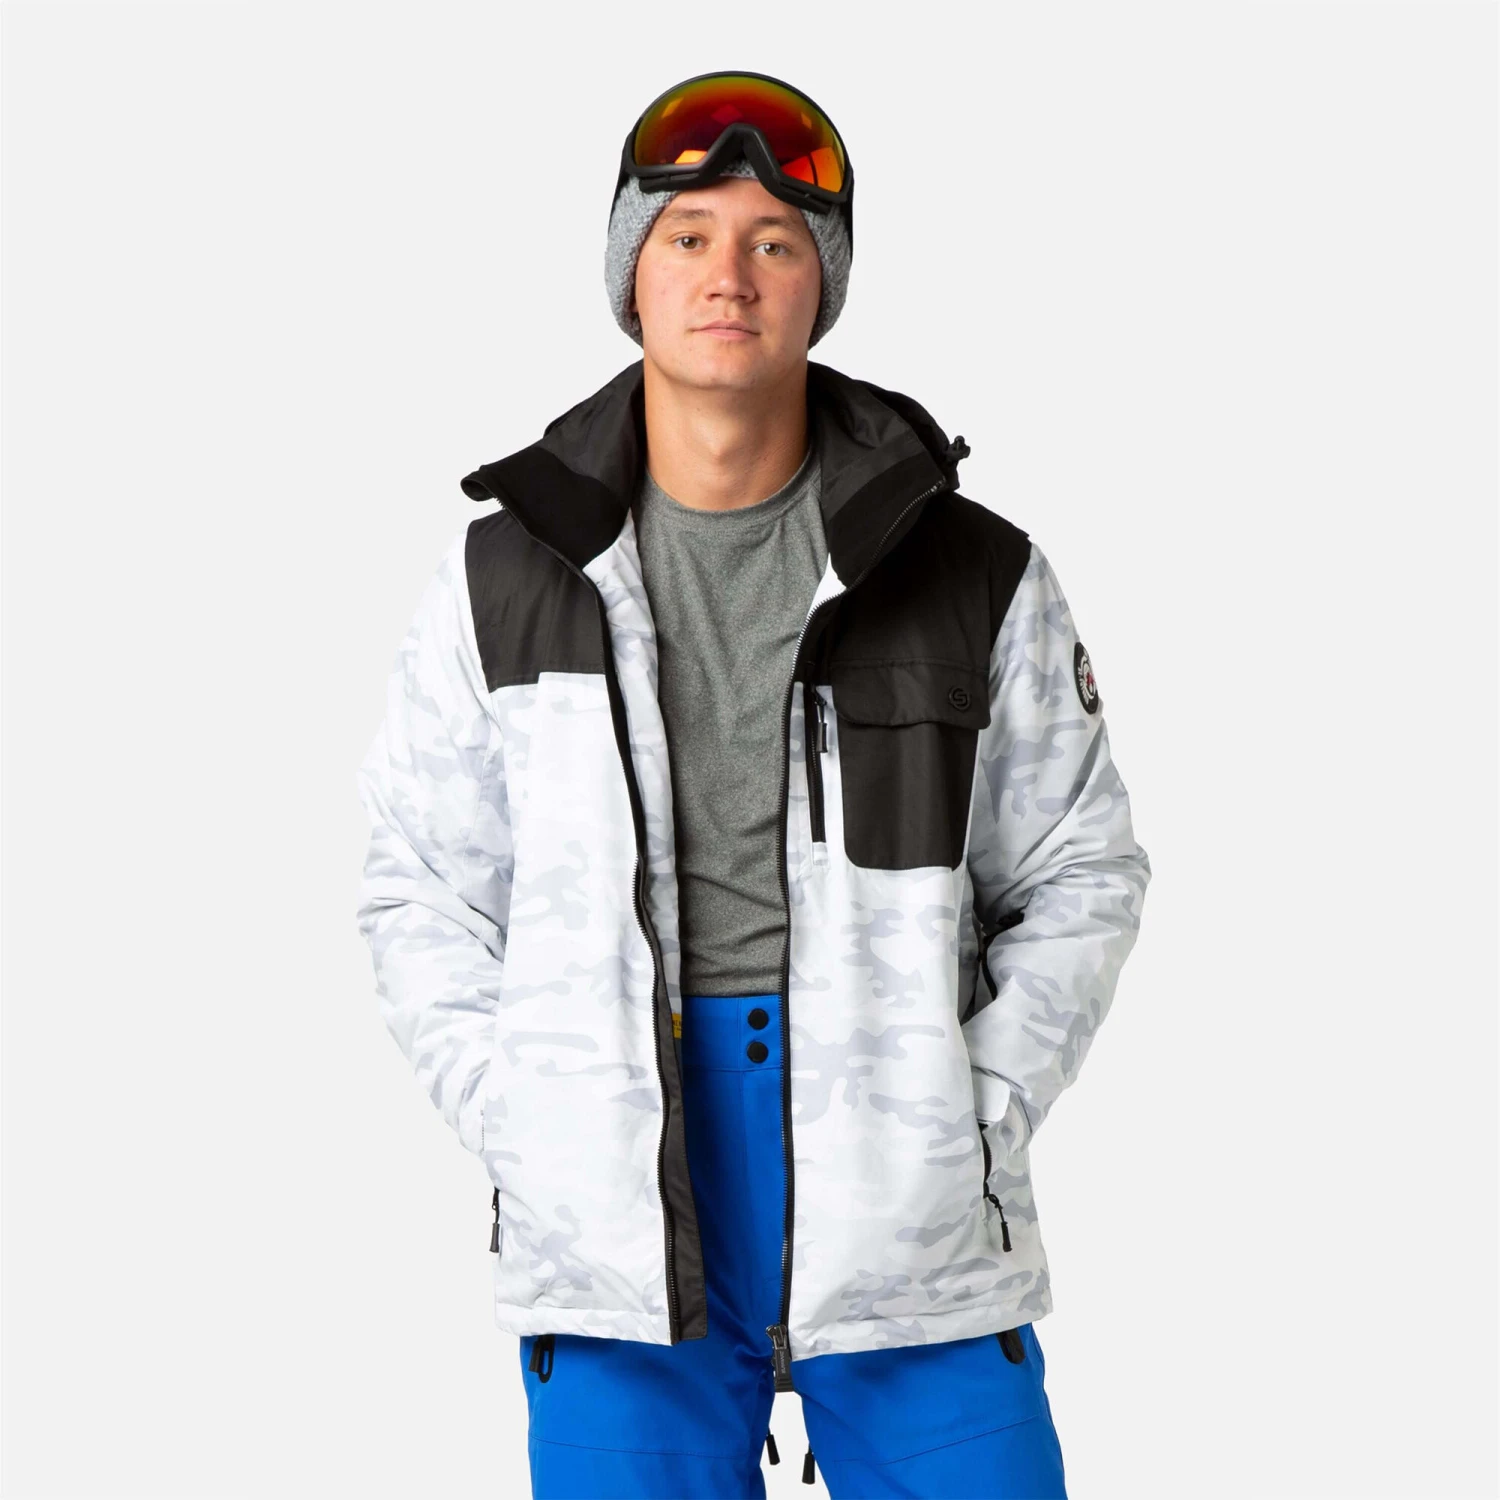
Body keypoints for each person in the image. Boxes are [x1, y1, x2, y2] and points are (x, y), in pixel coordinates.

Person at [354, 69, 1151, 1500]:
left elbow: (1080, 869)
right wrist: (529, 1119)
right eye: (688, 236)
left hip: (903, 1190)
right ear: (631, 277)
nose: (730, 273)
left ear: (820, 284)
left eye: (775, 241)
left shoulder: (970, 571)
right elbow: (419, 888)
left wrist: (970, 1116)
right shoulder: (504, 578)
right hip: (618, 1199)